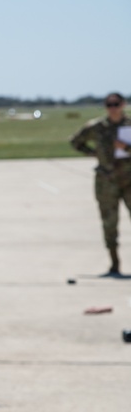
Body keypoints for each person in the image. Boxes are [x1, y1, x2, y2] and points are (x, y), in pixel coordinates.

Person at [70, 92, 131, 275]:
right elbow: (75, 142)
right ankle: (114, 263)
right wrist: (94, 153)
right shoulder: (96, 127)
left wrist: (126, 148)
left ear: (123, 105)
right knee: (109, 223)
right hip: (107, 181)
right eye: (109, 105)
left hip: (130, 179)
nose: (113, 108)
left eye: (116, 104)